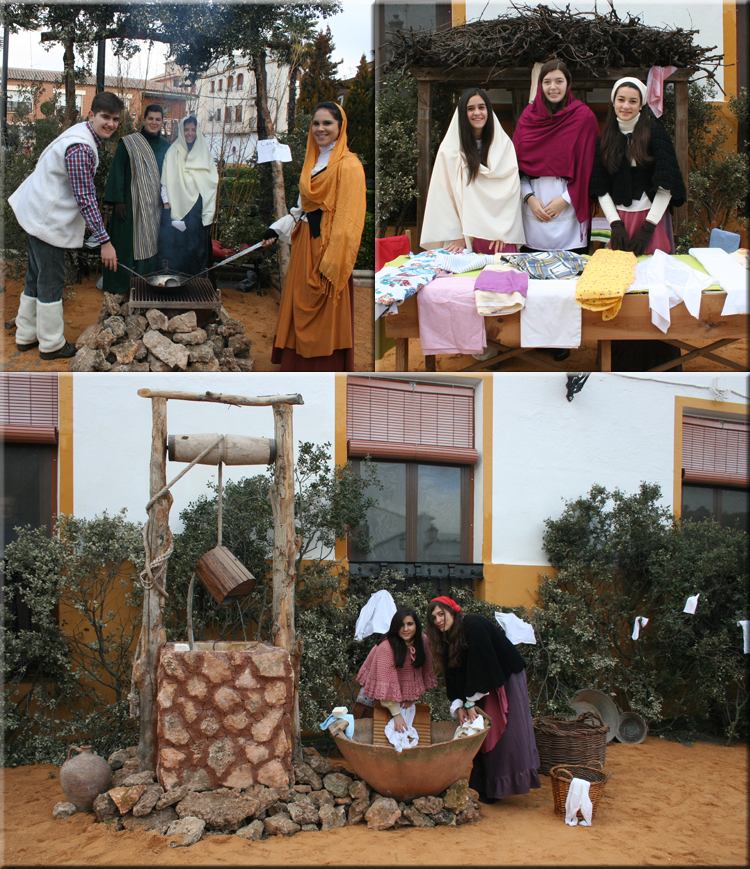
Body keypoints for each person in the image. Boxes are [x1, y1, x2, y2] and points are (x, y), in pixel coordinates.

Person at [9, 91, 123, 360]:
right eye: (105, 117)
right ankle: (51, 344)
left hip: (34, 211)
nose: (110, 124)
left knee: (35, 276)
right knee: (51, 280)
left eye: (116, 119)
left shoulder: (81, 132)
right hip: (46, 220)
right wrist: (105, 242)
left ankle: (25, 335)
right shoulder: (82, 148)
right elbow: (85, 199)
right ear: (91, 115)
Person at [589, 76, 687, 370]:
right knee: (621, 284)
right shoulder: (607, 137)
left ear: (642, 104)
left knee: (654, 284)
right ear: (613, 103)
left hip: (651, 220)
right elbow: (601, 187)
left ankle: (659, 358)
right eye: (621, 100)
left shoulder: (656, 134)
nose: (626, 106)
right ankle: (619, 357)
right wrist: (615, 224)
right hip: (619, 222)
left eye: (633, 100)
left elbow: (666, 186)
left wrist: (649, 227)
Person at [262, 101, 366, 371]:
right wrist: (276, 228)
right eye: (316, 123)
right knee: (299, 301)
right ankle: (296, 364)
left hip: (331, 248)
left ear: (340, 127)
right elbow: (301, 210)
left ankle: (323, 366)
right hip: (305, 245)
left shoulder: (350, 165)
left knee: (324, 310)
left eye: (327, 123)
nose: (321, 129)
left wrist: (330, 257)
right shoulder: (312, 161)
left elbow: (350, 220)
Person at [426, 596, 540, 804]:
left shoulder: (472, 625)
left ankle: (503, 784)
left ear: (452, 611)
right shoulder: (447, 638)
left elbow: (481, 665)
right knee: (481, 729)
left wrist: (470, 703)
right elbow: (455, 675)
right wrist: (459, 704)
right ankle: (483, 784)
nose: (438, 620)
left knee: (504, 732)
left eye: (441, 614)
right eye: (433, 618)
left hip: (504, 679)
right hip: (483, 684)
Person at [420, 87, 525, 254]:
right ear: (462, 114)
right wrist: (456, 234)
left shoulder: (504, 146)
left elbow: (511, 192)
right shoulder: (450, 150)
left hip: (498, 239)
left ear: (489, 111)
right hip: (463, 237)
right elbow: (442, 195)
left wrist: (502, 231)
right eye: (470, 108)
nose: (477, 113)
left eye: (481, 107)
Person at [512, 59, 599, 255]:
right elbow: (515, 167)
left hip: (570, 210)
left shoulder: (584, 117)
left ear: (568, 84)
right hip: (533, 212)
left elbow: (590, 167)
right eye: (547, 81)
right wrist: (530, 198)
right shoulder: (528, 118)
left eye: (559, 81)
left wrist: (565, 200)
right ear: (540, 85)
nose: (553, 87)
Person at [102, 104, 171, 294]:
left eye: (158, 119)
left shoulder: (168, 147)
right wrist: (117, 201)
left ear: (162, 122)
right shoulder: (129, 143)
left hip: (155, 208)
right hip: (130, 206)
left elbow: (173, 176)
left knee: (151, 246)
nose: (154, 122)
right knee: (125, 246)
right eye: (150, 118)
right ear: (143, 120)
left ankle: (147, 286)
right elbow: (118, 170)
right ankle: (119, 288)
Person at [355, 607, 437, 733]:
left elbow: (419, 670)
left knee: (399, 731)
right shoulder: (386, 647)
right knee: (371, 727)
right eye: (401, 625)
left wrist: (411, 695)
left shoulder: (422, 641)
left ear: (416, 625)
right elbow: (385, 687)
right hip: (376, 692)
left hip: (395, 692)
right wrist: (396, 714)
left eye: (410, 624)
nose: (406, 629)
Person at [158, 116, 218, 280]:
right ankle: (178, 285)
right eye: (186, 129)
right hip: (178, 208)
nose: (189, 133)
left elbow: (211, 181)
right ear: (181, 131)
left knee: (198, 249)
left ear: (197, 131)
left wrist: (207, 210)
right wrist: (167, 207)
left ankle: (198, 287)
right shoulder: (173, 151)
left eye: (193, 129)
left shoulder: (203, 153)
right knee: (179, 249)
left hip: (198, 210)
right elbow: (166, 182)